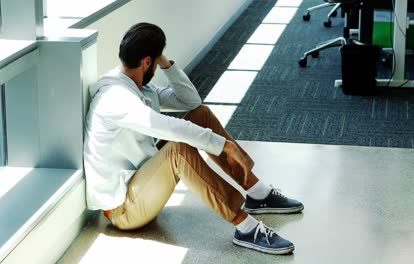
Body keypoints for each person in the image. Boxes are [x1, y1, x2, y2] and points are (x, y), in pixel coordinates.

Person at [84, 22, 304, 255]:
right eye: (156, 61)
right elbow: (167, 127)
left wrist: (167, 65)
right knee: (179, 149)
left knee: (202, 115)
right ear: (147, 62)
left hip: (142, 182)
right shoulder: (115, 97)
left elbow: (191, 102)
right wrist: (225, 145)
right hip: (124, 209)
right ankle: (246, 227)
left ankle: (258, 192)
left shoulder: (139, 88)